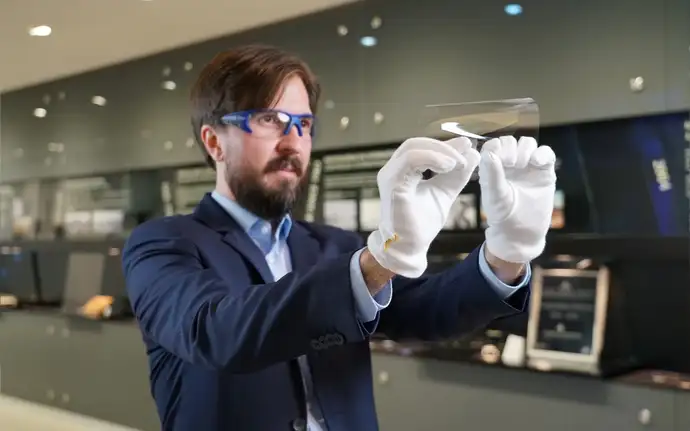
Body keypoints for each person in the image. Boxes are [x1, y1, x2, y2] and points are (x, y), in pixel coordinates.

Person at [122, 45, 557, 431]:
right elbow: (215, 331)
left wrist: (505, 255)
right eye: (269, 120)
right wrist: (382, 257)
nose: (293, 141)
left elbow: (426, 311)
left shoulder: (332, 245)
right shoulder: (163, 243)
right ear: (214, 141)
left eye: (304, 124)